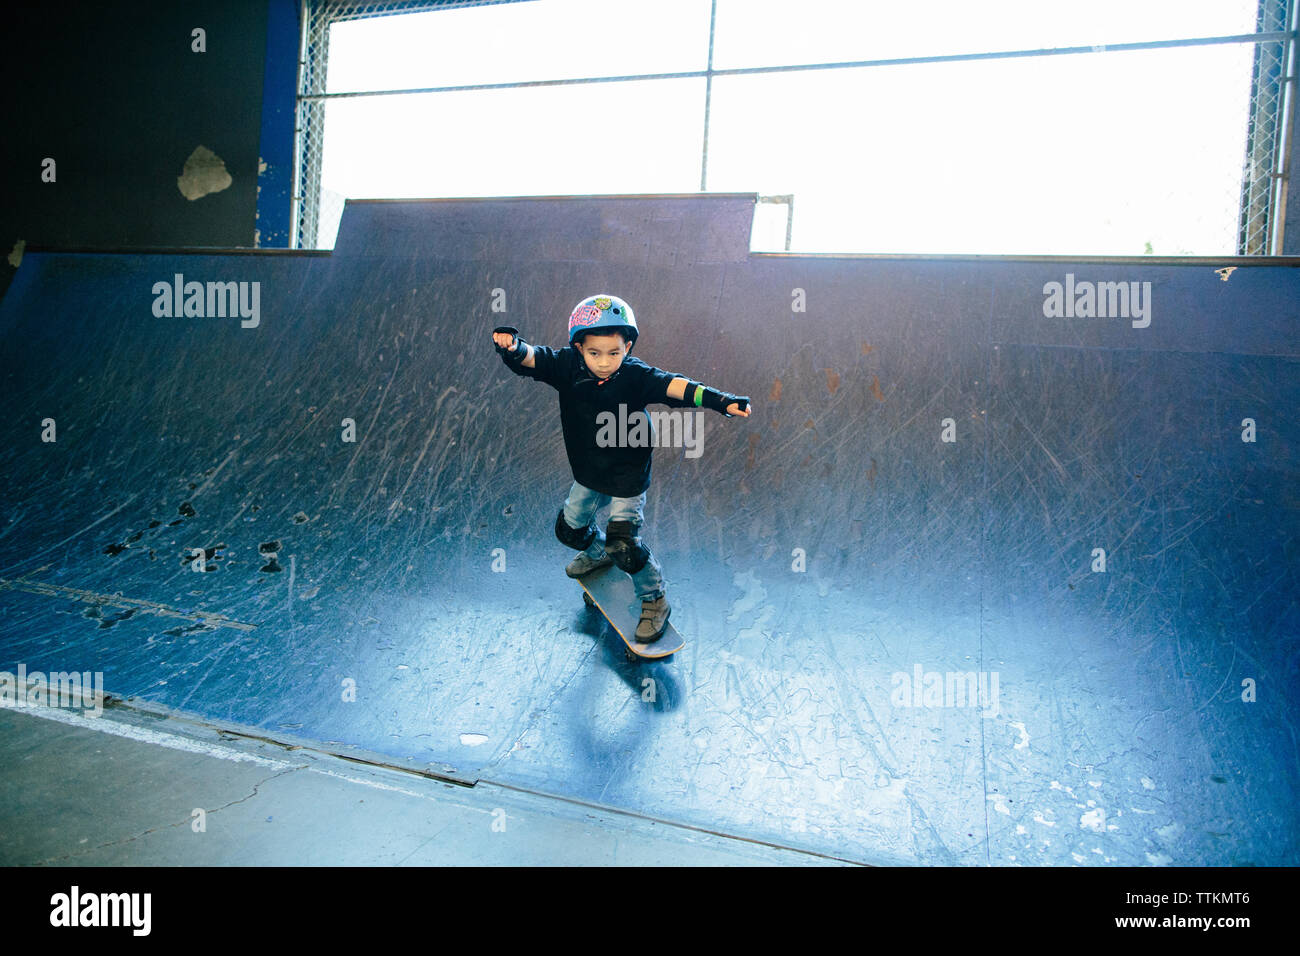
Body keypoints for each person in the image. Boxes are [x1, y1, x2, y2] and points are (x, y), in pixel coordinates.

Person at [492, 294, 750, 642]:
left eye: (614, 353)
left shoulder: (634, 375)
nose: (604, 362)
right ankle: (598, 552)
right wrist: (512, 347)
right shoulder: (566, 366)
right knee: (569, 531)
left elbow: (675, 386)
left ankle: (655, 599)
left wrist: (721, 401)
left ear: (627, 346)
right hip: (589, 468)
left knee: (624, 545)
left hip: (627, 469)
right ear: (579, 347)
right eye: (594, 353)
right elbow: (533, 358)